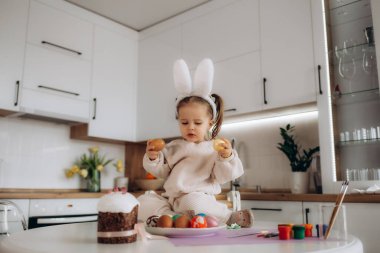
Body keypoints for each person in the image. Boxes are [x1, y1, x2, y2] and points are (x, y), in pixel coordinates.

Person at [137, 58, 253, 227]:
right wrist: (153, 158)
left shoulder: (213, 149)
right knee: (143, 202)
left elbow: (223, 176)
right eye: (184, 122)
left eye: (197, 123)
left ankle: (229, 216)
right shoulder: (174, 147)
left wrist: (226, 157)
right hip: (171, 200)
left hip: (197, 197)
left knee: (193, 204)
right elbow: (161, 171)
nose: (190, 127)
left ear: (210, 123)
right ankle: (172, 219)